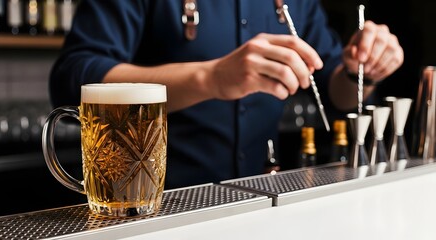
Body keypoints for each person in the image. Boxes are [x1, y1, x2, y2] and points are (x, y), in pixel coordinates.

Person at [49, 0, 403, 189]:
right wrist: (210, 77)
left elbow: (334, 92)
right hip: (153, 206)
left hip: (262, 200)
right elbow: (75, 77)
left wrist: (364, 71)